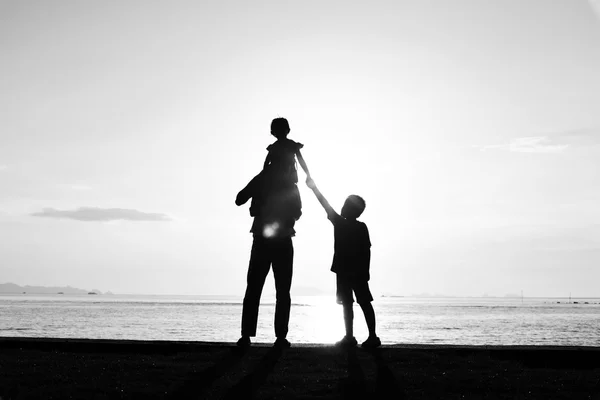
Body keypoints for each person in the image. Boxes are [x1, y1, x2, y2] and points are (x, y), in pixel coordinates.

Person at [234, 144, 307, 348]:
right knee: (281, 291)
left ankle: (248, 336)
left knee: (256, 289)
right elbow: (299, 212)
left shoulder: (264, 180)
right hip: (280, 240)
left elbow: (240, 199)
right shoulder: (290, 185)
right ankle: (279, 337)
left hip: (265, 240)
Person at [306, 177, 381, 348]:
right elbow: (367, 251)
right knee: (361, 302)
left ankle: (353, 337)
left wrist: (314, 188)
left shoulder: (340, 223)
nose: (342, 207)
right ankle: (366, 336)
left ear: (349, 209)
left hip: (345, 270)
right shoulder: (361, 227)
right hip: (356, 270)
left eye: (346, 205)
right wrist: (366, 271)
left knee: (350, 303)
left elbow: (323, 202)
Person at [246, 117, 310, 219]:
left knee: (293, 203)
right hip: (277, 178)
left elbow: (301, 161)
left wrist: (308, 175)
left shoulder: (289, 145)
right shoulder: (276, 147)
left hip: (287, 179)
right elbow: (266, 164)